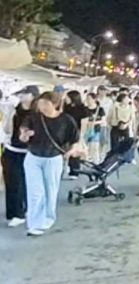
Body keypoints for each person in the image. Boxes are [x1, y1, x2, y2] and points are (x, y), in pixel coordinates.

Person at [19, 91, 82, 236]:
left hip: (53, 159)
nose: (42, 107)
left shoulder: (66, 120)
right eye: (40, 104)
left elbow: (75, 139)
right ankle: (34, 224)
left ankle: (48, 218)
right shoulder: (33, 118)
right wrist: (24, 135)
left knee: (50, 190)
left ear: (55, 104)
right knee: (35, 192)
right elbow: (22, 135)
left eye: (45, 104)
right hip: (33, 157)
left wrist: (71, 151)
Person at [2, 86, 37, 228]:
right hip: (11, 148)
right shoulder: (15, 110)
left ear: (33, 96)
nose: (22, 96)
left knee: (22, 183)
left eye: (25, 94)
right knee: (11, 182)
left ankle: (20, 212)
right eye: (21, 94)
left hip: (28, 152)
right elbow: (7, 129)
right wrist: (9, 116)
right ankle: (13, 212)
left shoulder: (37, 114)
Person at [63, 91, 92, 176]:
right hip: (66, 131)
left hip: (77, 131)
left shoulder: (82, 109)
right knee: (66, 149)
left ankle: (75, 170)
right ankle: (67, 167)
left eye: (67, 97)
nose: (66, 99)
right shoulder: (65, 107)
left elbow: (84, 123)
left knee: (75, 151)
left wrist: (81, 134)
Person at [84, 91, 106, 162]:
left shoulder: (100, 109)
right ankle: (88, 160)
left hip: (96, 130)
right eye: (87, 98)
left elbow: (103, 120)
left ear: (94, 99)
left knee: (95, 147)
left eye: (89, 98)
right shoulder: (84, 109)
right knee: (86, 147)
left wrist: (94, 122)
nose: (88, 100)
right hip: (86, 130)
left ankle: (96, 161)